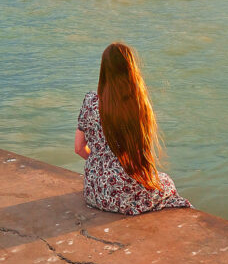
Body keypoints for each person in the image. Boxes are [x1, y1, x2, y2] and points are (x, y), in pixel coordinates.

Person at [75, 42, 192, 215]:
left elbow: (78, 148)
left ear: (104, 70)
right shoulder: (136, 105)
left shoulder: (90, 101)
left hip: (93, 190)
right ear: (131, 70)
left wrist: (100, 165)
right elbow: (139, 159)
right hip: (122, 195)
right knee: (166, 182)